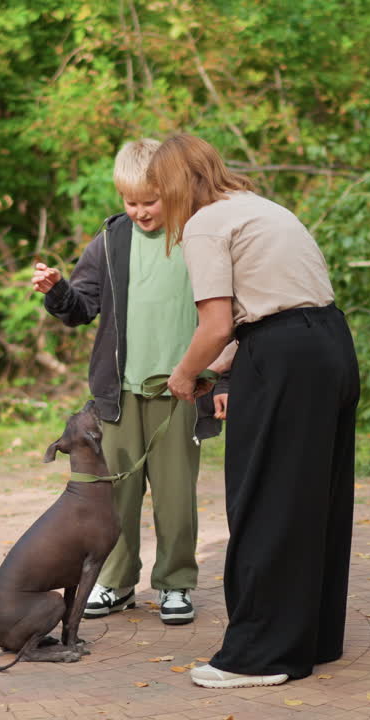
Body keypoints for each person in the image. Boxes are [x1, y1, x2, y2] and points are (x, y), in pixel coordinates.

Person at [150, 133, 360, 688]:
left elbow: (217, 325)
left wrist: (185, 374)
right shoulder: (260, 207)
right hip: (331, 344)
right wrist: (221, 371)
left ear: (172, 186)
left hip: (286, 358)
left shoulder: (203, 224)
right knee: (317, 496)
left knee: (264, 499)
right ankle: (312, 638)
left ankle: (260, 656)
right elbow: (271, 314)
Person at [31, 138, 228, 627]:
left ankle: (176, 585)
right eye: (130, 201)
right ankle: (116, 584)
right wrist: (57, 291)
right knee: (115, 494)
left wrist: (226, 384)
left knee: (175, 494)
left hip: (185, 390)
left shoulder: (198, 233)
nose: (139, 211)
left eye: (150, 201)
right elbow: (81, 308)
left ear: (174, 190)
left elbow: (231, 317)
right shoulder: (110, 239)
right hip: (118, 394)